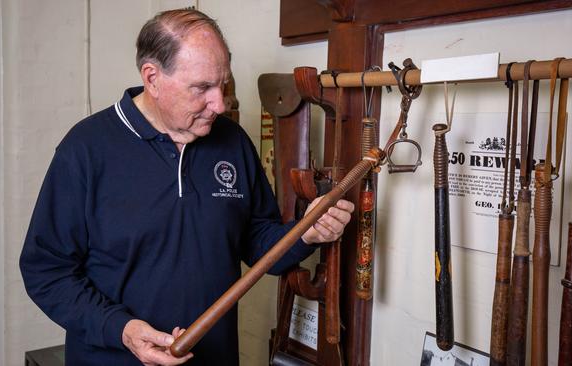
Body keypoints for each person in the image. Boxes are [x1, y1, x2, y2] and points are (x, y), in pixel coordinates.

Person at [19, 9, 354, 366]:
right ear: (152, 78)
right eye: (202, 88)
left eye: (222, 83)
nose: (219, 103)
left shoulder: (232, 143)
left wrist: (307, 232)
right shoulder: (85, 150)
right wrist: (121, 328)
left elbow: (258, 243)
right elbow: (46, 272)